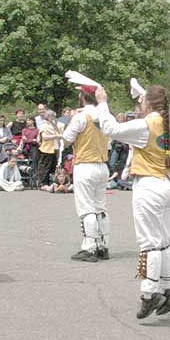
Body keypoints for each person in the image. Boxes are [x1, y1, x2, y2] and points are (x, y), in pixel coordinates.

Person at [96, 84, 170, 319]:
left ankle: (149, 293)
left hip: (150, 184)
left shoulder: (145, 125)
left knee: (149, 242)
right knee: (165, 239)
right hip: (169, 182)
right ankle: (166, 286)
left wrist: (103, 102)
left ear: (148, 103)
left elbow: (111, 128)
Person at [62, 85, 111, 263]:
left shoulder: (81, 117)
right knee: (100, 207)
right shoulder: (105, 116)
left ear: (82, 97)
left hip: (85, 164)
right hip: (102, 164)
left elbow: (67, 138)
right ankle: (103, 245)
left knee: (86, 208)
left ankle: (89, 247)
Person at [37, 110, 60, 188]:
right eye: (52, 116)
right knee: (45, 166)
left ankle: (48, 182)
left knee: (51, 166)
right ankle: (43, 183)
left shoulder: (52, 124)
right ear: (49, 116)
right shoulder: (44, 125)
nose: (53, 118)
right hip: (46, 148)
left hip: (53, 148)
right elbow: (44, 137)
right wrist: (55, 136)